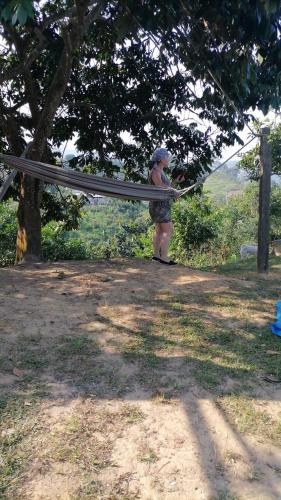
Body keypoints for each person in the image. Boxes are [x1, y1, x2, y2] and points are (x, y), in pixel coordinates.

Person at [148, 148, 185, 265]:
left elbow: (166, 187)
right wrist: (174, 191)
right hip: (159, 206)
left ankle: (156, 256)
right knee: (168, 230)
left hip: (160, 205)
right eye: (167, 157)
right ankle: (164, 257)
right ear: (161, 159)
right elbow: (160, 186)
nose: (168, 159)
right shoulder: (155, 171)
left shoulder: (159, 170)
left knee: (159, 231)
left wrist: (175, 183)